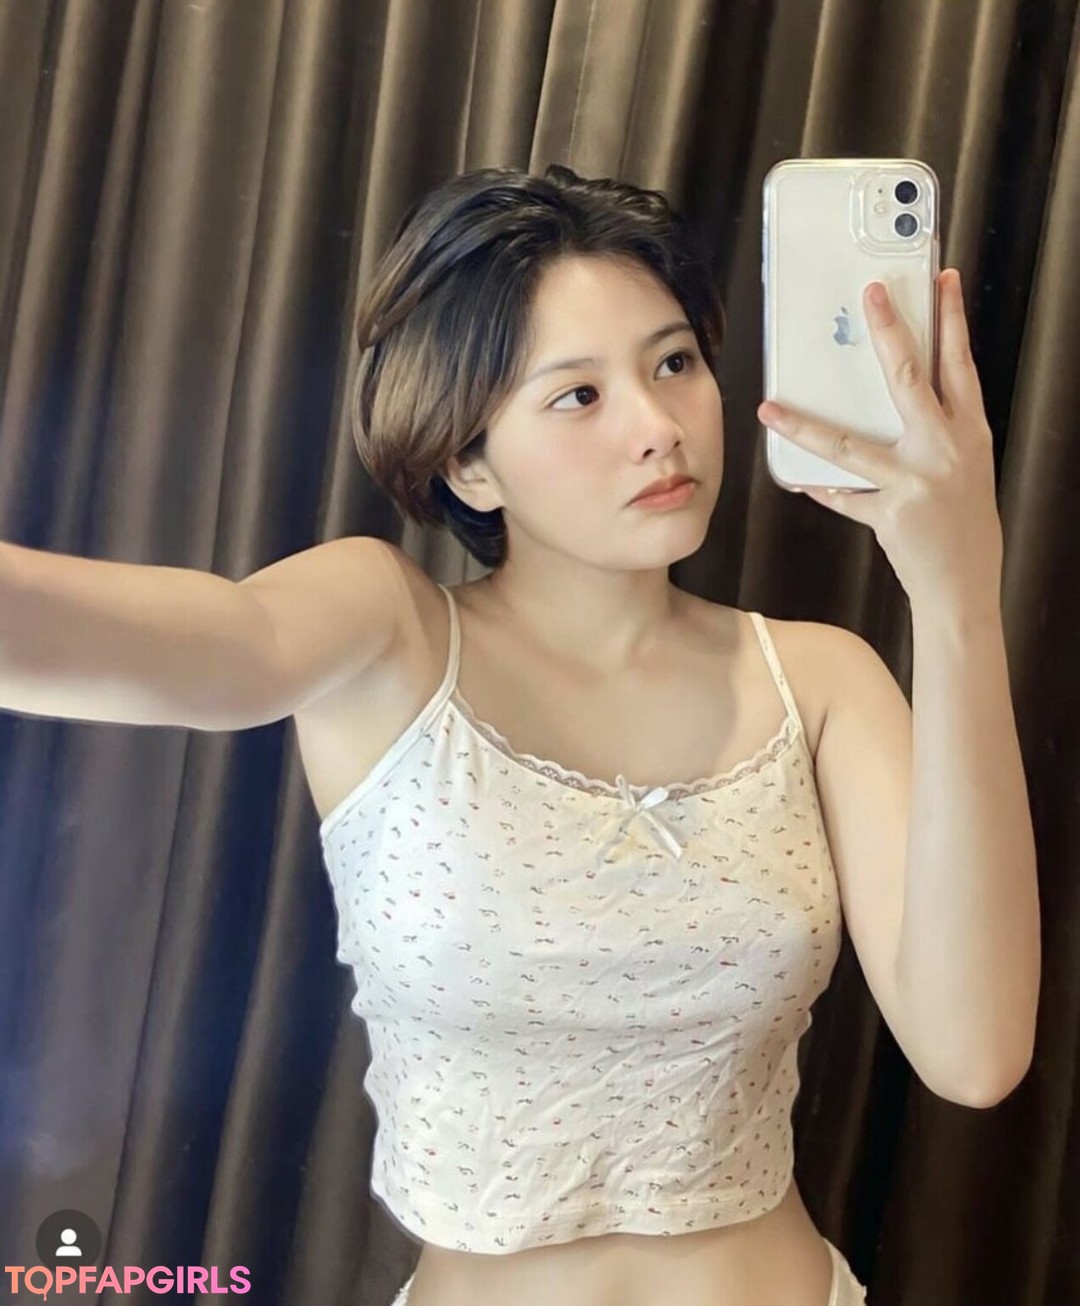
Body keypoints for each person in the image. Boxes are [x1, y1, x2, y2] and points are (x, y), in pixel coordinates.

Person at [0, 164, 867, 1305]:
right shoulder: (393, 634)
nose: (659, 427)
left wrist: (953, 570)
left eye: (673, 363)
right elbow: (228, 644)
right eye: (579, 394)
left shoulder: (819, 679)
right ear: (468, 460)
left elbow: (979, 1053)